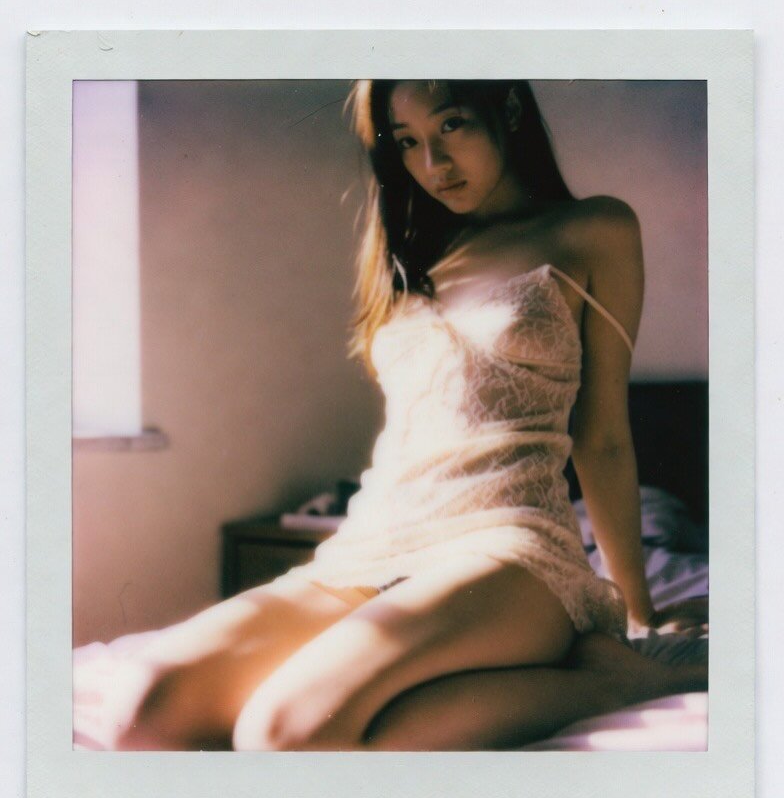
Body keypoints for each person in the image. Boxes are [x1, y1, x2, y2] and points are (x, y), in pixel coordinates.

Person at [112, 79, 708, 752]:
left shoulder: (594, 228)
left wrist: (635, 609)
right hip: (374, 541)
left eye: (452, 125)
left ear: (509, 109)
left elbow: (602, 438)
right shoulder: (415, 254)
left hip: (508, 548)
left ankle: (607, 682)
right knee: (144, 713)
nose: (433, 164)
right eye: (407, 142)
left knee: (283, 732)